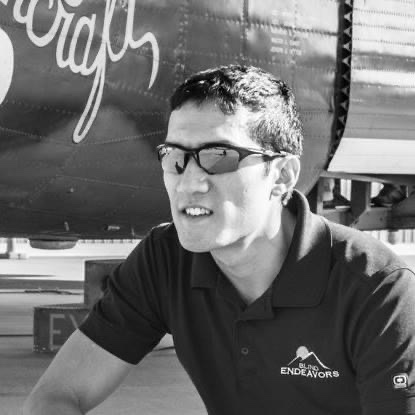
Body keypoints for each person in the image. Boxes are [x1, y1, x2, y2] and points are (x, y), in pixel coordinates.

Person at [23, 65, 415, 415]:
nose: (190, 183)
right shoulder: (166, 259)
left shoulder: (377, 289)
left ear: (281, 176)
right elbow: (58, 394)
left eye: (220, 156)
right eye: (175, 157)